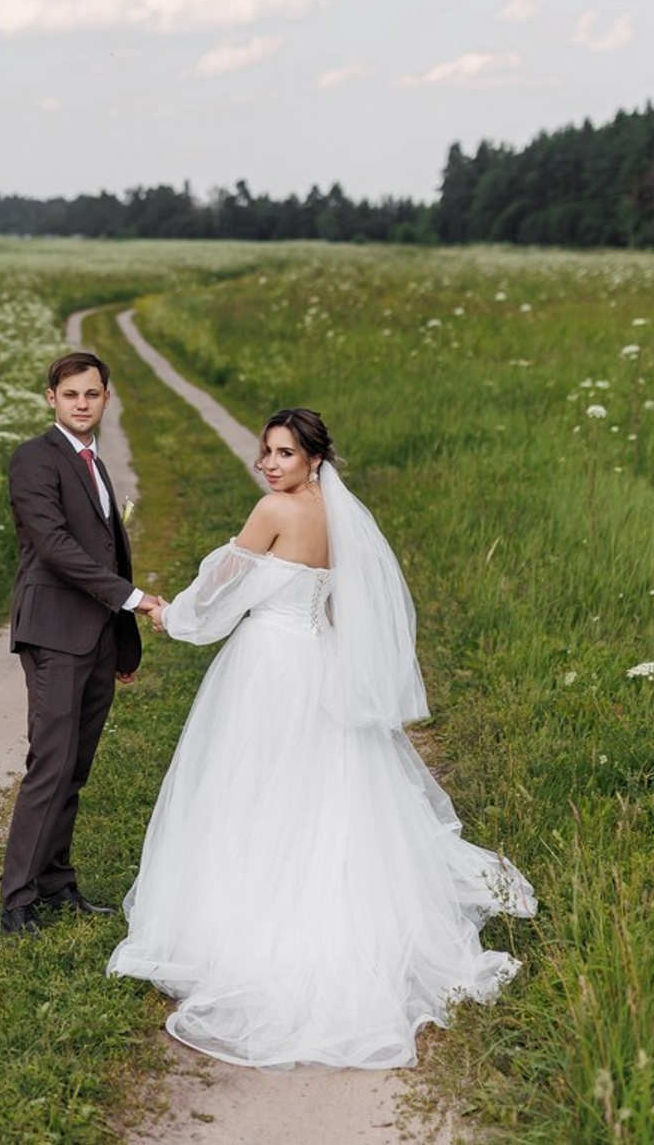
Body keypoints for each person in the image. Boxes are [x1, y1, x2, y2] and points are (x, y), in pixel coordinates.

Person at [107, 408, 536, 1067]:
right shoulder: (342, 517)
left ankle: (243, 922)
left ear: (312, 459)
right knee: (322, 787)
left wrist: (170, 617)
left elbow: (219, 592)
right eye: (266, 452)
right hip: (317, 658)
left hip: (269, 666)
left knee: (250, 784)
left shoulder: (273, 511)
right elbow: (341, 605)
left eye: (283, 453)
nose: (269, 464)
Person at [0, 351, 162, 935]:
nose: (82, 404)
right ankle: (16, 899)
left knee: (77, 765)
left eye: (92, 394)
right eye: (71, 395)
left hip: (95, 636)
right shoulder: (33, 459)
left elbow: (106, 547)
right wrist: (135, 599)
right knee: (50, 761)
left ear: (106, 398)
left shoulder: (94, 461)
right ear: (52, 398)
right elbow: (56, 547)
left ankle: (56, 882)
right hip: (54, 632)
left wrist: (119, 640)